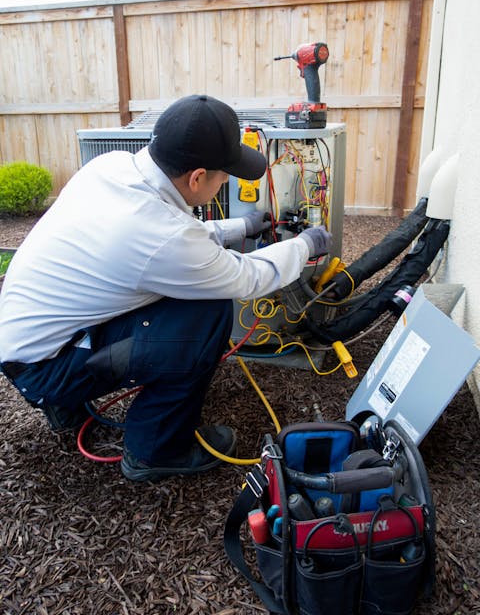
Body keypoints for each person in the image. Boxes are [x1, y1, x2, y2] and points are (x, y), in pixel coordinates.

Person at [0, 94, 331, 482]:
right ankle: (155, 450)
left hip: (25, 344)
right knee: (207, 312)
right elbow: (245, 277)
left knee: (184, 299)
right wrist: (305, 244)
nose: (227, 179)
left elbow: (165, 241)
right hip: (47, 368)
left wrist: (239, 227)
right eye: (225, 174)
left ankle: (66, 406)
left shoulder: (112, 167)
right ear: (197, 178)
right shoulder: (161, 236)